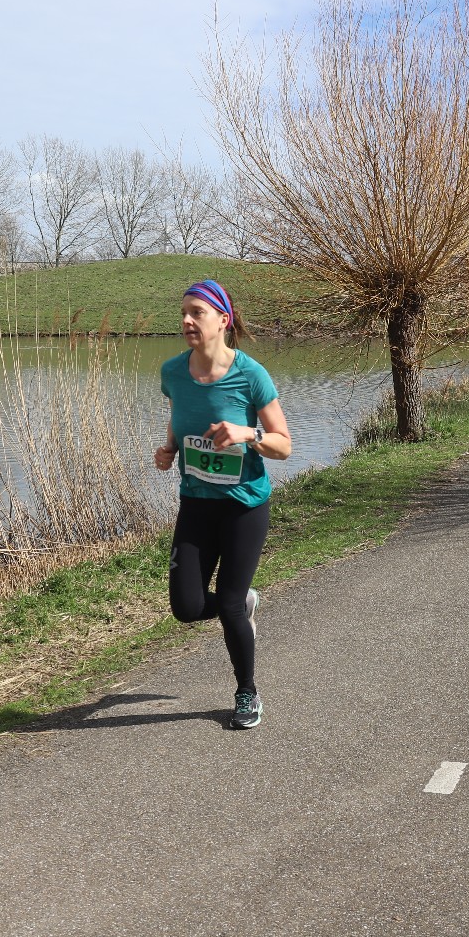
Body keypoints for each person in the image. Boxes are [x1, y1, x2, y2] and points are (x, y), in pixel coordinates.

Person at [154, 280, 292, 730]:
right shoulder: (173, 373)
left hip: (243, 506)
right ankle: (246, 601)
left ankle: (247, 692)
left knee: (228, 604)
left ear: (223, 320)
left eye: (197, 312)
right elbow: (180, 416)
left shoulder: (251, 375)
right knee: (186, 607)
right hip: (196, 503)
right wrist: (170, 448)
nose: (186, 320)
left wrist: (247, 434)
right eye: (183, 312)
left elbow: (284, 445)